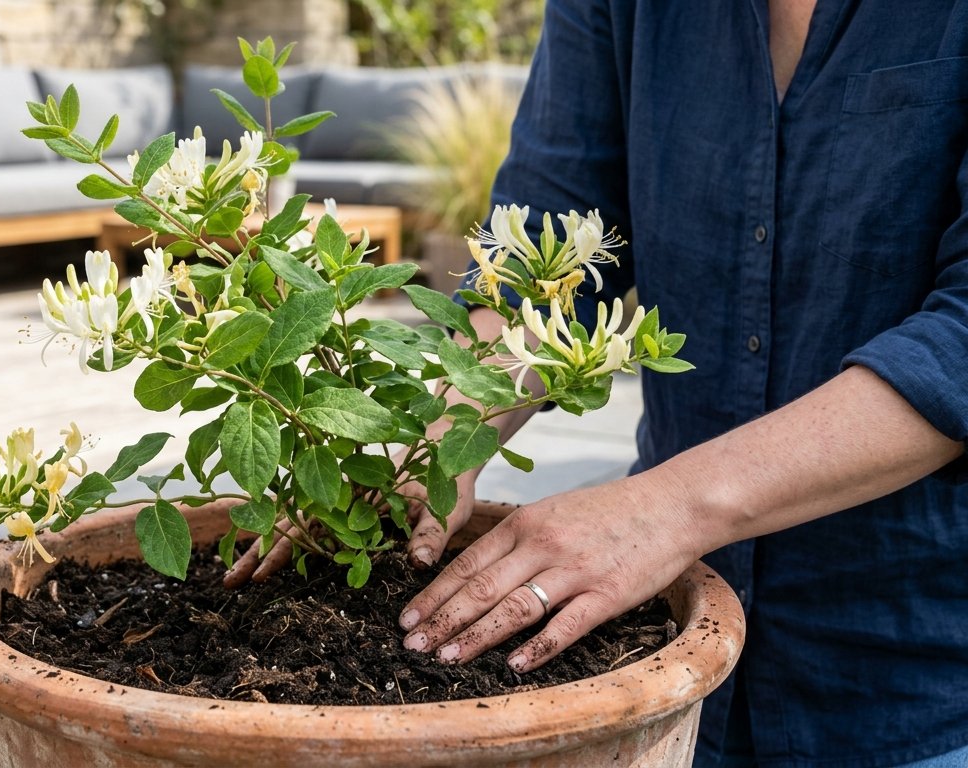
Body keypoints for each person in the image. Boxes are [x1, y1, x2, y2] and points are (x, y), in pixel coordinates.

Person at [233, 1, 968, 765]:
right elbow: (544, 247)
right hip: (663, 649)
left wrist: (661, 511)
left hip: (914, 672)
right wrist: (427, 445)